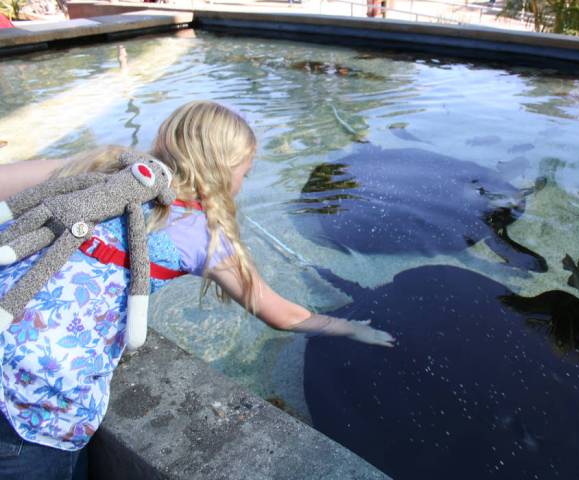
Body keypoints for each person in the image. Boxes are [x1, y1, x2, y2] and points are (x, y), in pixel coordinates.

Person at [0, 100, 395, 479]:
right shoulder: (203, 236)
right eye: (246, 171)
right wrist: (353, 328)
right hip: (35, 397)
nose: (243, 181)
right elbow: (284, 315)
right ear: (224, 172)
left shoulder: (97, 167)